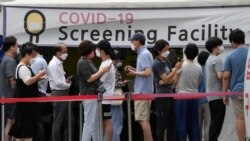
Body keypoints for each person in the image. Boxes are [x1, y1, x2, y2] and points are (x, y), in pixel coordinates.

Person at [9, 42, 46, 141]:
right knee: (26, 134)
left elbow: (29, 80)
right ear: (27, 55)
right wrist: (38, 76)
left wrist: (38, 78)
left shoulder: (25, 67)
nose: (34, 59)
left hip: (27, 106)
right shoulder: (23, 68)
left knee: (23, 133)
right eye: (33, 56)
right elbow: (28, 82)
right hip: (25, 107)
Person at [77, 40, 110, 141]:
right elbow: (89, 78)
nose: (94, 52)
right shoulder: (82, 63)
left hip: (93, 95)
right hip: (88, 95)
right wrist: (102, 71)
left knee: (95, 123)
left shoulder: (87, 61)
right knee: (89, 123)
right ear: (88, 50)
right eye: (92, 49)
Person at [125, 33, 154, 141]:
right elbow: (145, 71)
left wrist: (133, 72)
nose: (131, 43)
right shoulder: (144, 53)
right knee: (144, 119)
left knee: (143, 120)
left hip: (142, 91)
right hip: (145, 91)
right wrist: (134, 69)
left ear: (138, 41)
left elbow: (147, 72)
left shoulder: (143, 54)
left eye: (132, 41)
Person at [152, 39, 182, 141]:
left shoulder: (167, 61)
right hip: (162, 96)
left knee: (172, 122)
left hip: (170, 94)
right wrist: (175, 70)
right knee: (162, 122)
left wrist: (167, 79)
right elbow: (165, 79)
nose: (167, 52)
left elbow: (171, 80)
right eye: (165, 49)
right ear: (159, 50)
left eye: (168, 49)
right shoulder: (156, 63)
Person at [223, 29, 247, 141]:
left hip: (237, 92)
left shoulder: (230, 55)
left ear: (233, 41)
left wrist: (224, 94)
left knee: (240, 118)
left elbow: (226, 76)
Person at [175, 43, 201, 141]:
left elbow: (174, 81)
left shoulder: (181, 66)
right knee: (194, 122)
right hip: (194, 96)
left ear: (185, 53)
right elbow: (198, 82)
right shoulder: (198, 67)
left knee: (181, 122)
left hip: (182, 96)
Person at [48, 43, 71, 141]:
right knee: (58, 122)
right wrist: (68, 84)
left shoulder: (59, 63)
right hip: (58, 94)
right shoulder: (53, 64)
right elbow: (57, 83)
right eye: (64, 52)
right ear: (58, 53)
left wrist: (65, 82)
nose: (66, 53)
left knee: (69, 121)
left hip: (63, 93)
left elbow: (59, 80)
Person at [205, 37, 225, 141]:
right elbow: (220, 76)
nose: (221, 47)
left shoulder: (209, 59)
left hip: (211, 95)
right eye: (219, 45)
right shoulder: (217, 59)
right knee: (217, 122)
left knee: (214, 120)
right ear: (214, 48)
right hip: (217, 95)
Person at [108, 49, 130, 141]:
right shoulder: (112, 68)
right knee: (116, 123)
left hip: (113, 98)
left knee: (116, 122)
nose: (122, 62)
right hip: (114, 98)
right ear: (117, 59)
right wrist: (124, 83)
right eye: (121, 60)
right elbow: (113, 84)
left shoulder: (110, 67)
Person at [95, 40, 115, 141]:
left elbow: (100, 80)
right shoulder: (106, 63)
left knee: (107, 121)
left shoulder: (107, 64)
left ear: (101, 50)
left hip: (105, 97)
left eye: (97, 49)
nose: (96, 52)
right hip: (105, 97)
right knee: (104, 121)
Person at [0, 36, 18, 141]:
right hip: (10, 98)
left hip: (6, 98)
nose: (17, 47)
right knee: (10, 124)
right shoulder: (10, 61)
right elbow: (12, 81)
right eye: (16, 45)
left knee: (9, 123)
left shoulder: (4, 60)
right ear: (11, 47)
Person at [30, 43, 48, 141]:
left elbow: (31, 79)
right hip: (42, 93)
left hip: (38, 93)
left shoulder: (37, 62)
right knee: (38, 121)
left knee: (36, 122)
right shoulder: (42, 60)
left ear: (33, 52)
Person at [197, 51, 210, 141]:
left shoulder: (196, 70)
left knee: (197, 125)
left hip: (196, 101)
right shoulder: (210, 70)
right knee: (208, 125)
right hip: (208, 100)